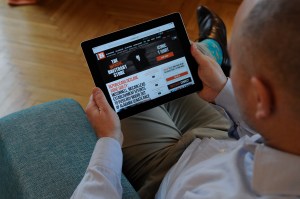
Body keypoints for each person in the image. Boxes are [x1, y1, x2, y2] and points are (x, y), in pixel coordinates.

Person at [72, 0, 300, 198]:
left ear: (260, 97)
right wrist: (222, 88)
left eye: (238, 64)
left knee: (125, 82)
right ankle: (217, 48)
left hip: (164, 170)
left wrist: (109, 140)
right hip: (223, 136)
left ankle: (216, 47)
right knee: (192, 57)